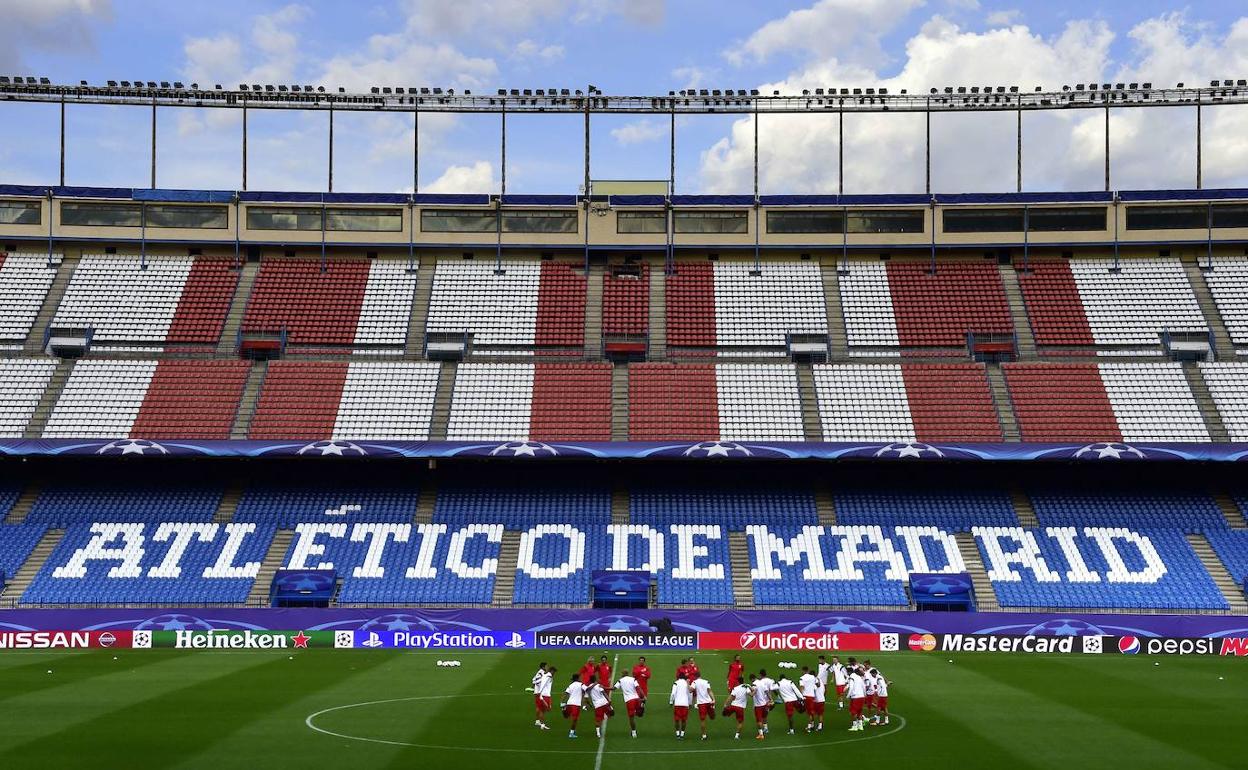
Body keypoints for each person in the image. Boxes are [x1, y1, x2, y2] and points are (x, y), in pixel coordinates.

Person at [614, 671, 644, 737]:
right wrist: (643, 696)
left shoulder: (620, 680)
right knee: (639, 714)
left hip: (629, 701)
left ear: (623, 674)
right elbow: (638, 688)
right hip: (636, 699)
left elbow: (614, 688)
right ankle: (640, 708)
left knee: (631, 717)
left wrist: (604, 687)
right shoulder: (633, 679)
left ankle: (633, 732)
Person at [750, 671, 775, 740]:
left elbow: (752, 694)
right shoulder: (762, 683)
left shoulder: (754, 684)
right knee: (764, 717)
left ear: (752, 679)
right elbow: (767, 692)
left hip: (758, 705)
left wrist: (749, 690)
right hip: (764, 704)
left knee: (759, 720)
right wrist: (771, 700)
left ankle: (761, 734)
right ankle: (766, 728)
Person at [691, 673, 715, 741]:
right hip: (709, 702)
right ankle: (704, 735)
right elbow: (709, 691)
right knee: (712, 717)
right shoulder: (706, 681)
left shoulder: (694, 682)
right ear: (700, 676)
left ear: (695, 676)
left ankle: (704, 735)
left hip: (701, 704)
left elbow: (691, 690)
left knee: (702, 719)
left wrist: (687, 684)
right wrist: (713, 699)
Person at [587, 674, 612, 739]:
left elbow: (587, 690)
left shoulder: (589, 686)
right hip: (604, 703)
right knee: (611, 712)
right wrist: (609, 700)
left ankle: (598, 733)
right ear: (595, 679)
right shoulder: (599, 685)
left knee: (598, 720)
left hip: (597, 705)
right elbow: (604, 693)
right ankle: (605, 715)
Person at [564, 673, 588, 738]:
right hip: (576, 705)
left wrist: (563, 703)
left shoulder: (571, 685)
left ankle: (565, 711)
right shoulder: (581, 684)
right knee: (575, 719)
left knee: (569, 717)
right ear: (578, 678)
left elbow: (566, 693)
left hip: (569, 703)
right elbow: (587, 689)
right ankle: (571, 733)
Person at [669, 672, 692, 740]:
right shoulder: (687, 683)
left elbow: (673, 694)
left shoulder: (676, 683)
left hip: (677, 704)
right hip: (685, 704)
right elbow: (690, 693)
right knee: (684, 720)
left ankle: (677, 734)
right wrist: (690, 703)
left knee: (677, 720)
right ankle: (682, 734)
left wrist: (671, 702)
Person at [798, 665, 819, 733]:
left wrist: (800, 696)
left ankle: (809, 727)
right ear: (808, 670)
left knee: (809, 712)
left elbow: (801, 687)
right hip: (812, 696)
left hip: (806, 696)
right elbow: (818, 684)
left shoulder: (802, 678)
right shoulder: (813, 677)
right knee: (811, 711)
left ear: (803, 671)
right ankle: (812, 724)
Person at [535, 664, 556, 730]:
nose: (554, 673)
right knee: (547, 709)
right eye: (554, 672)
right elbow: (544, 684)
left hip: (542, 695)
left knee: (542, 710)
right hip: (545, 695)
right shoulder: (549, 676)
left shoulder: (544, 675)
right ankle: (542, 724)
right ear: (552, 671)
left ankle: (542, 724)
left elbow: (538, 681)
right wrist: (540, 693)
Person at [846, 665, 867, 731]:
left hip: (855, 697)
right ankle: (860, 726)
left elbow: (851, 687)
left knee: (853, 712)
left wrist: (848, 695)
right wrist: (865, 695)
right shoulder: (859, 677)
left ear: (849, 672)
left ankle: (854, 726)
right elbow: (864, 687)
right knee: (860, 712)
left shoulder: (851, 677)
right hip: (861, 697)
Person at [532, 662, 549, 728]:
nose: (547, 667)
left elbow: (533, 680)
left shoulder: (539, 672)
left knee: (538, 707)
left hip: (537, 692)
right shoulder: (541, 672)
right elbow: (536, 681)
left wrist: (533, 687)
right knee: (541, 708)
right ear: (543, 667)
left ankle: (537, 721)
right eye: (546, 666)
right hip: (539, 692)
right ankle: (541, 723)